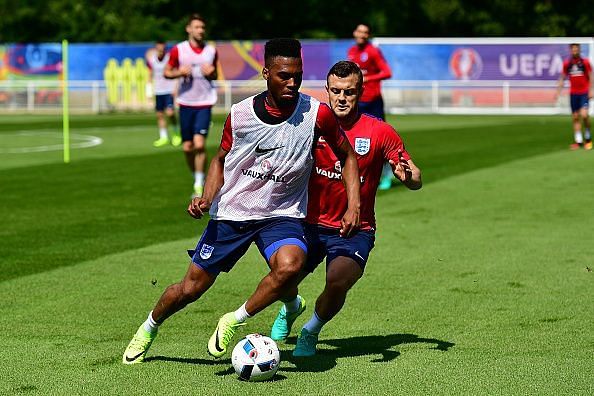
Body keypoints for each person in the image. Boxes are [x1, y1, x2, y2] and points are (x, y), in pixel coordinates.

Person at [122, 39, 361, 364]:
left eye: (298, 76)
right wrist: (206, 197)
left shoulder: (317, 114)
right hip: (233, 213)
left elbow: (347, 155)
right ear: (266, 73)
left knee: (291, 265)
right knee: (190, 289)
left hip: (282, 213)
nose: (292, 83)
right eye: (284, 76)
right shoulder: (241, 115)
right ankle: (149, 327)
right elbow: (220, 160)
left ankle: (233, 320)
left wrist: (353, 205)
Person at [269, 60, 422, 357]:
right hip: (307, 223)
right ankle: (291, 306)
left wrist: (408, 177)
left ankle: (310, 331)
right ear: (327, 90)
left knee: (337, 280)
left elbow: (415, 178)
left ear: (361, 92)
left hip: (355, 229)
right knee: (281, 276)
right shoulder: (308, 125)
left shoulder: (380, 132)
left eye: (349, 92)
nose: (342, 98)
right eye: (336, 91)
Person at [164, 14, 218, 197]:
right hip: (186, 102)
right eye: (197, 27)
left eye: (202, 27)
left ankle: (199, 183)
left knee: (199, 144)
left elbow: (215, 74)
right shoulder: (179, 50)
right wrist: (179, 72)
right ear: (188, 29)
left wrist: (212, 73)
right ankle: (196, 174)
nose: (200, 30)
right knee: (187, 147)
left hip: (205, 102)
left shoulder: (211, 51)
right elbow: (166, 72)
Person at [348, 23, 395, 190]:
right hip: (357, 101)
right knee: (353, 140)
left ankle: (387, 175)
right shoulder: (352, 52)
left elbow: (387, 72)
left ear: (368, 35)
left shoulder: (373, 51)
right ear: (355, 32)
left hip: (373, 101)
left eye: (366, 32)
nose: (362, 34)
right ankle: (359, 176)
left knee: (379, 141)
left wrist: (368, 79)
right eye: (360, 31)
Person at [555, 43, 593, 150]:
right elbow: (562, 78)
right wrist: (558, 91)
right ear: (570, 51)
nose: (575, 51)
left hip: (584, 93)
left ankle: (588, 138)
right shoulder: (567, 64)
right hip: (573, 93)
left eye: (576, 49)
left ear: (579, 50)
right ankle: (579, 141)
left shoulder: (585, 62)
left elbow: (591, 77)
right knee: (575, 117)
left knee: (584, 115)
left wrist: (591, 90)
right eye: (573, 49)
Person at [146, 40, 180, 148]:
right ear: (156, 49)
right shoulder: (152, 60)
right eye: (159, 49)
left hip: (169, 90)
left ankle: (176, 134)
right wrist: (149, 91)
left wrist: (175, 88)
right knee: (159, 115)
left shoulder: (170, 58)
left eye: (162, 49)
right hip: (158, 91)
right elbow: (150, 75)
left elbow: (175, 72)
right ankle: (163, 137)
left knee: (170, 113)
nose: (161, 51)